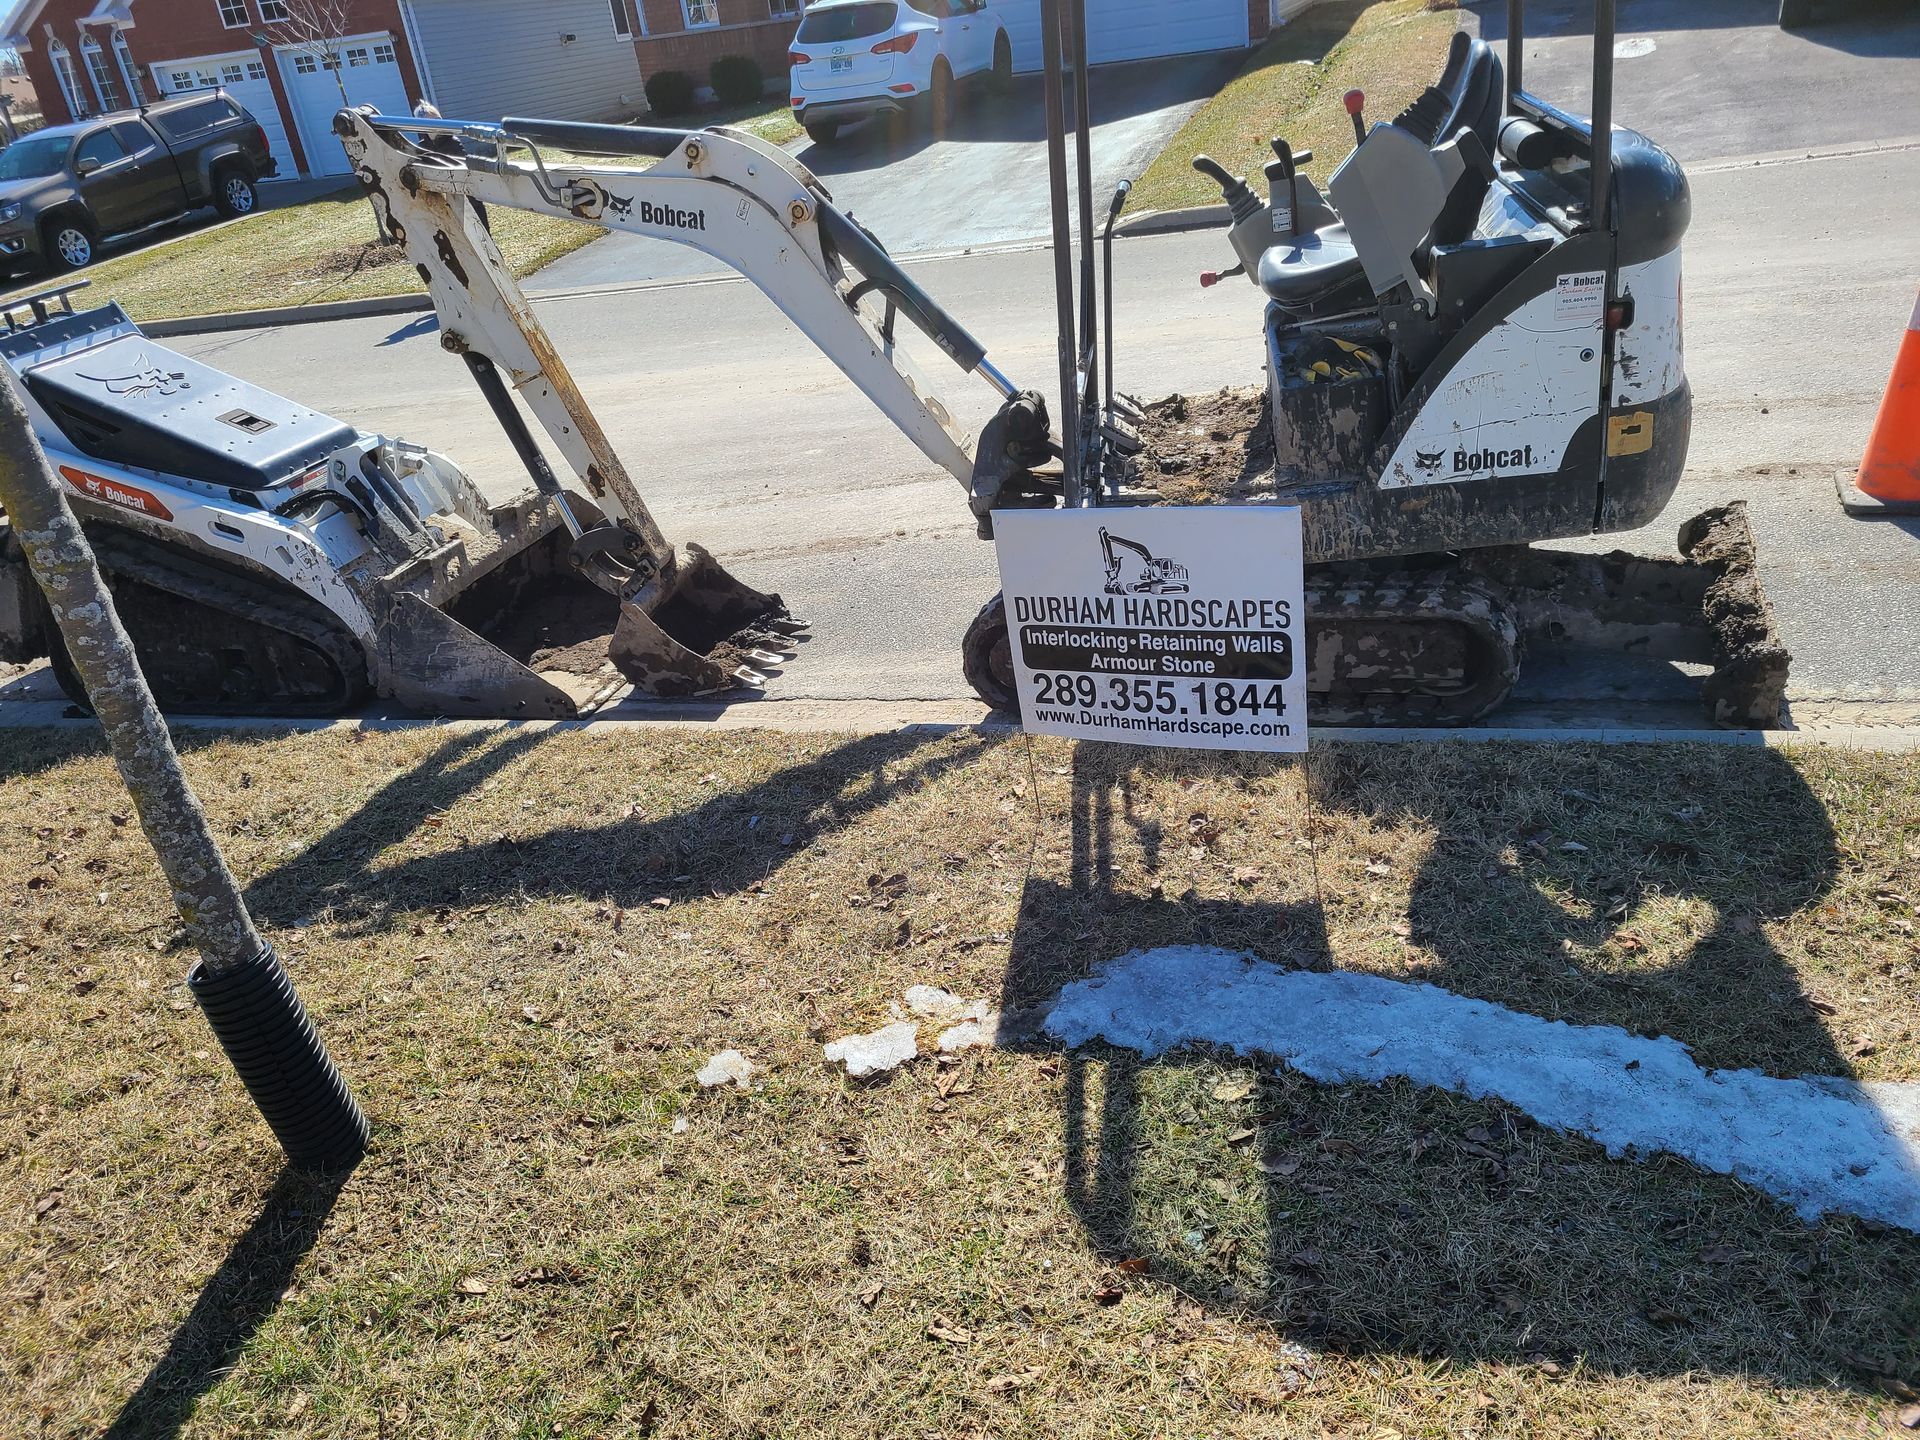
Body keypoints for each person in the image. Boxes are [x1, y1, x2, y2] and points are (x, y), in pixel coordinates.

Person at [412, 100, 489, 232]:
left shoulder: (452, 142)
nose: (436, 124)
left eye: (438, 119)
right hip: (444, 196)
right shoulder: (423, 147)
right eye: (431, 121)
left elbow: (464, 170)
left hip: (465, 193)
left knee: (480, 230)